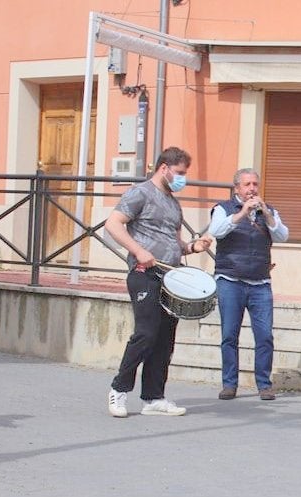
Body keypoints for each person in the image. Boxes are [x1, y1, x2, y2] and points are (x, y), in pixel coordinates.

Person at [104, 146, 212, 418]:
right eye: (179, 173)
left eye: (184, 174)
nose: (182, 179)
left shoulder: (174, 204)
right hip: (144, 274)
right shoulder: (140, 193)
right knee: (146, 333)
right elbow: (113, 224)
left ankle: (154, 397)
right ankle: (119, 389)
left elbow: (175, 244)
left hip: (170, 278)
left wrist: (193, 247)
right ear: (164, 168)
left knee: (165, 339)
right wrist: (139, 250)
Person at [208, 168, 289, 401]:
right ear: (237, 188)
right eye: (247, 185)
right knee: (229, 335)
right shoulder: (223, 209)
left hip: (260, 282)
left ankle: (264, 384)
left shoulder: (269, 210)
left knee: (264, 336)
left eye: (255, 184)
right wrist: (242, 213)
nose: (252, 189)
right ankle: (229, 384)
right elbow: (216, 231)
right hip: (230, 280)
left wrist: (267, 214)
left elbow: (282, 235)